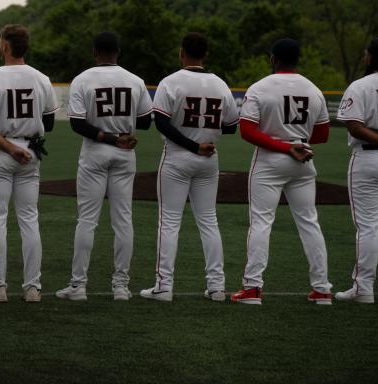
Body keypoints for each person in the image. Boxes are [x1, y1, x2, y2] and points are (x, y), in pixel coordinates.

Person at [138, 32, 238, 303]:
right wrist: (204, 138)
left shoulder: (170, 82)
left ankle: (164, 286)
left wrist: (192, 144)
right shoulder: (220, 84)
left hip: (178, 157)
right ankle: (217, 287)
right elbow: (230, 126)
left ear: (182, 53)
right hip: (209, 158)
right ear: (205, 54)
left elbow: (161, 122)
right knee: (209, 221)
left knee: (169, 222)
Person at [231, 38, 332, 305]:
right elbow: (321, 135)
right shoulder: (314, 89)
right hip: (303, 158)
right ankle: (322, 289)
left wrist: (284, 146)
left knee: (261, 222)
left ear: (273, 59)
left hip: (270, 160)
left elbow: (247, 131)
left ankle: (252, 288)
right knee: (309, 222)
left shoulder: (260, 87)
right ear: (298, 59)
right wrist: (296, 143)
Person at [58, 31, 152, 302]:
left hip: (96, 150)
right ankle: (121, 286)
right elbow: (146, 121)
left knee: (87, 220)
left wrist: (109, 136)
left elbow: (77, 123)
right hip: (125, 153)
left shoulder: (82, 79)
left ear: (94, 52)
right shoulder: (134, 80)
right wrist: (123, 130)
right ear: (118, 52)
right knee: (123, 221)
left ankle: (78, 286)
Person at [0, 24, 57, 303]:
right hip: (31, 151)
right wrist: (24, 144)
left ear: (5, 46)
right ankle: (33, 288)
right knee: (29, 219)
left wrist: (9, 147)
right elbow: (50, 123)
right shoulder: (42, 79)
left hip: (1, 150)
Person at [334, 37, 378, 304]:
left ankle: (363, 289)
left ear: (371, 57)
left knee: (367, 227)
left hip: (369, 157)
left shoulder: (361, 85)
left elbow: (354, 127)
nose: (364, 57)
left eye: (367, 54)